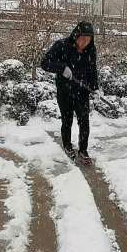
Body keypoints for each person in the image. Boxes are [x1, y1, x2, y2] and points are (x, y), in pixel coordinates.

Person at [41, 21, 101, 165]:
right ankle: (67, 146)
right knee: (67, 121)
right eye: (82, 39)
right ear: (75, 35)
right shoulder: (62, 45)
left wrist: (95, 87)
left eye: (88, 40)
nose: (85, 43)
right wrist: (62, 68)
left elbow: (92, 70)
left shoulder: (91, 50)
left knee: (84, 122)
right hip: (65, 91)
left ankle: (83, 150)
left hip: (82, 92)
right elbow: (45, 62)